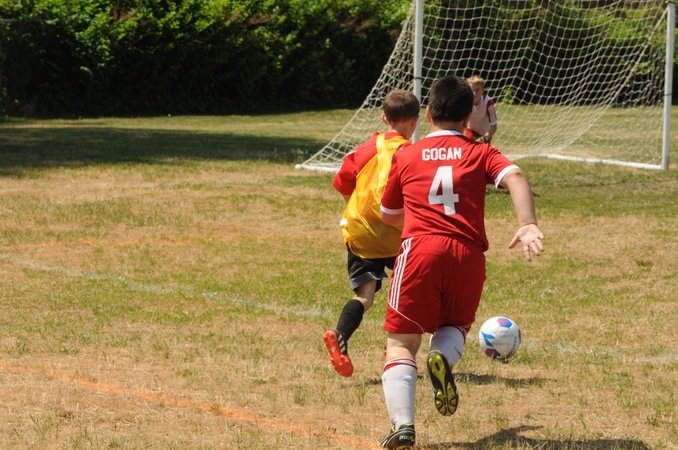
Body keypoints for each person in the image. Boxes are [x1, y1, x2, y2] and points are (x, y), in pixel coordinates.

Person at [377, 75, 544, 448]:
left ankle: (404, 425)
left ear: (428, 113)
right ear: (469, 115)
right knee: (454, 324)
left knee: (402, 342)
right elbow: (516, 176)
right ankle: (441, 356)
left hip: (421, 250)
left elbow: (388, 214)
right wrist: (527, 224)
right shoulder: (480, 152)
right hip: (467, 254)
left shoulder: (407, 154)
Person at [324, 90, 420, 378]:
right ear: (415, 121)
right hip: (399, 234)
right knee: (409, 292)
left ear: (383, 117)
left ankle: (340, 334)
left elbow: (343, 184)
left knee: (365, 295)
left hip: (361, 233)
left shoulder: (362, 150)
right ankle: (398, 349)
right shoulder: (412, 153)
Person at [465, 75, 497, 144]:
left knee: (483, 150)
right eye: (472, 90)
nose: (474, 93)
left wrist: (482, 139)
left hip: (486, 134)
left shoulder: (488, 103)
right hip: (470, 131)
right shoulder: (465, 102)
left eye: (477, 90)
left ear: (482, 90)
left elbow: (494, 127)